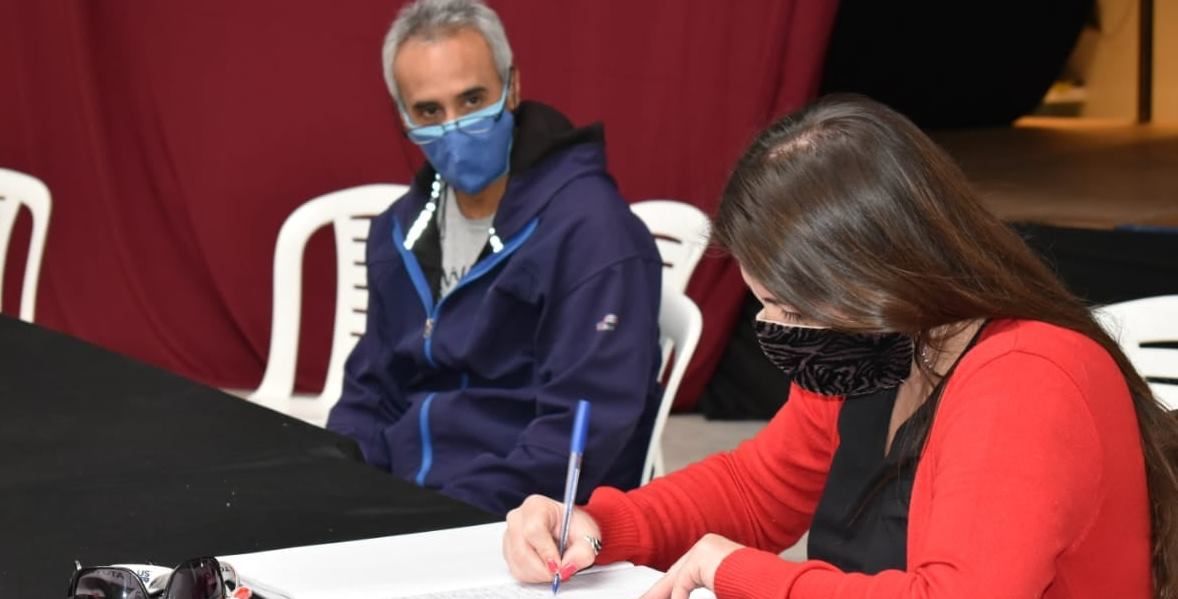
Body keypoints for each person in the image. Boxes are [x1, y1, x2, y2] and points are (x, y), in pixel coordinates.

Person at [502, 95, 1178, 598]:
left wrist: (733, 567)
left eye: (793, 307)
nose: (777, 327)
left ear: (883, 275)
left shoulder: (1027, 379)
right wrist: (597, 524)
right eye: (765, 302)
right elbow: (757, 488)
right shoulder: (876, 343)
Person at [327, 0, 664, 515]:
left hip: (516, 519)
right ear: (402, 116)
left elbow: (578, 436)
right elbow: (371, 393)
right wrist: (339, 485)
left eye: (473, 99)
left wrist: (441, 517)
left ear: (513, 87)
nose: (455, 127)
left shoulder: (593, 234)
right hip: (403, 502)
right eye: (429, 112)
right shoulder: (399, 231)